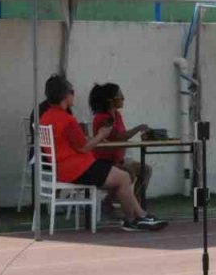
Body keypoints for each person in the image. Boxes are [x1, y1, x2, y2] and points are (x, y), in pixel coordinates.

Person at [37, 75, 165, 232]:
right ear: (65, 95)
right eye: (72, 91)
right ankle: (133, 219)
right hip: (78, 168)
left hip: (64, 167)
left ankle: (140, 215)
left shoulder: (46, 117)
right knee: (124, 178)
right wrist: (101, 135)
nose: (74, 95)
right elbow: (84, 148)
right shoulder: (67, 119)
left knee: (122, 175)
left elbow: (71, 142)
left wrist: (93, 137)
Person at [89, 82, 152, 209]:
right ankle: (113, 204)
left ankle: (135, 202)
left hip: (118, 159)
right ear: (110, 100)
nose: (123, 98)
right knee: (128, 173)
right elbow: (118, 136)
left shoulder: (116, 115)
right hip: (104, 162)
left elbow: (122, 134)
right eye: (120, 95)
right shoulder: (102, 118)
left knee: (146, 170)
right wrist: (138, 128)